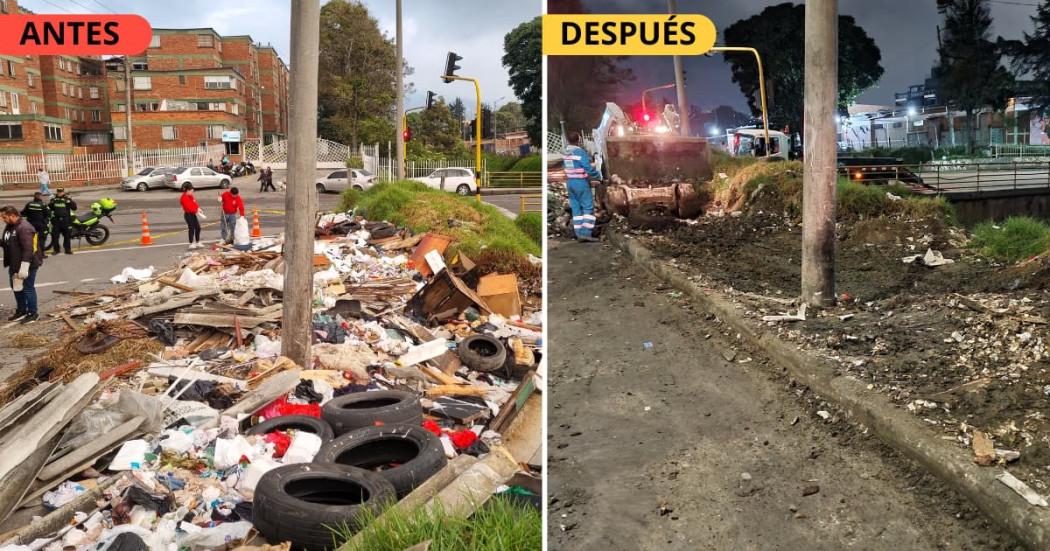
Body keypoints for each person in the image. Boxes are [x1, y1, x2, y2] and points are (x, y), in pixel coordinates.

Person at [1, 205, 44, 324]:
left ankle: (33, 313)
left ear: (12, 215)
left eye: (4, 217)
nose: (3, 219)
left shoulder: (24, 228)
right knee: (16, 288)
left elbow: (28, 249)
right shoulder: (10, 226)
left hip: (27, 264)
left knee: (27, 288)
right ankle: (22, 310)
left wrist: (24, 267)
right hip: (14, 264)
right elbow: (7, 242)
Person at [562, 131, 601, 242]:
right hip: (581, 183)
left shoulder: (565, 152)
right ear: (578, 140)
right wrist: (598, 176)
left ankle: (578, 233)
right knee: (588, 207)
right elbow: (588, 168)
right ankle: (585, 233)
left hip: (570, 183)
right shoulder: (580, 152)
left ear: (567, 140)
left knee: (576, 209)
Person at [48, 188, 76, 255]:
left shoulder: (67, 199)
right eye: (58, 192)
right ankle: (56, 250)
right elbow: (49, 208)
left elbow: (74, 208)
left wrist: (70, 201)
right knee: (55, 236)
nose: (60, 193)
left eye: (61, 192)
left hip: (65, 220)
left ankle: (67, 250)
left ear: (63, 192)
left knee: (67, 236)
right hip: (56, 221)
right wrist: (51, 202)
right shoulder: (54, 199)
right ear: (57, 192)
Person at [21, 192, 49, 257]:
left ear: (34, 197)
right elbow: (48, 214)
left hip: (30, 224)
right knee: (41, 239)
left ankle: (29, 253)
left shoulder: (29, 204)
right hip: (40, 224)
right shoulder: (43, 204)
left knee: (29, 239)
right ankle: (41, 254)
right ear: (40, 197)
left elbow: (23, 213)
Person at [180, 182, 203, 249]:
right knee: (191, 228)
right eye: (191, 191)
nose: (192, 192)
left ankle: (197, 242)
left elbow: (194, 203)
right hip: (188, 215)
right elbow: (189, 207)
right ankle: (191, 243)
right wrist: (197, 211)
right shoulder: (184, 198)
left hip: (193, 214)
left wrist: (198, 208)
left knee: (198, 228)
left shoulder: (190, 196)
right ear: (187, 190)